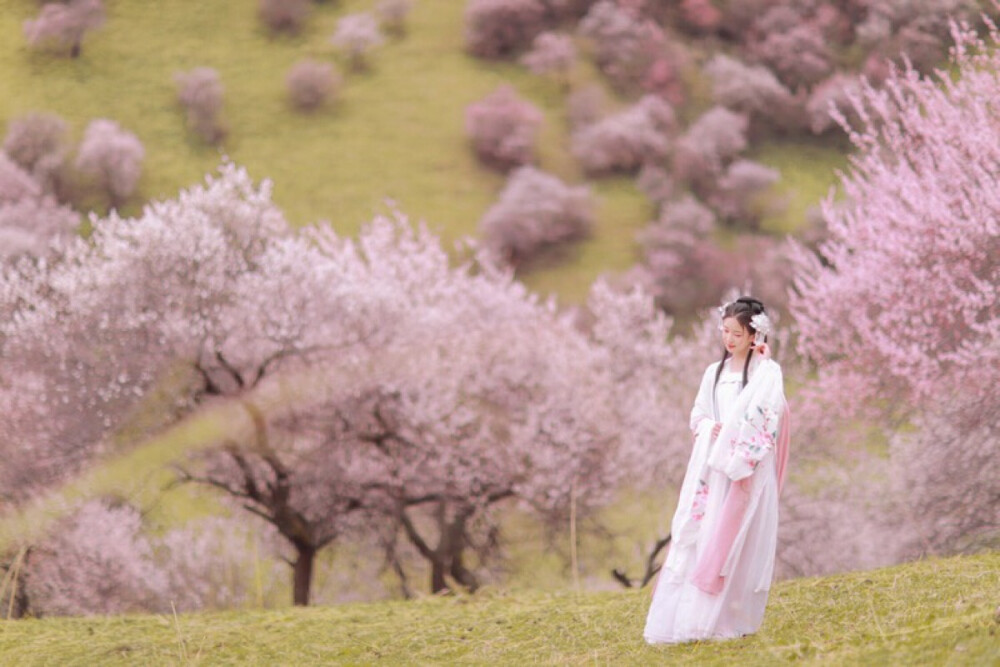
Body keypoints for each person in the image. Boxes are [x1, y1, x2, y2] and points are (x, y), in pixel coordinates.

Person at [644, 296, 790, 644]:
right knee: (701, 538)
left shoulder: (765, 373)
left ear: (754, 335)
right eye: (725, 331)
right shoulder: (714, 373)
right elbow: (697, 415)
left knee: (738, 543)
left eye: (736, 334)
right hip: (712, 470)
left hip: (744, 470)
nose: (729, 339)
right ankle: (692, 619)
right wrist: (711, 429)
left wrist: (737, 447)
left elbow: (769, 418)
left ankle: (729, 618)